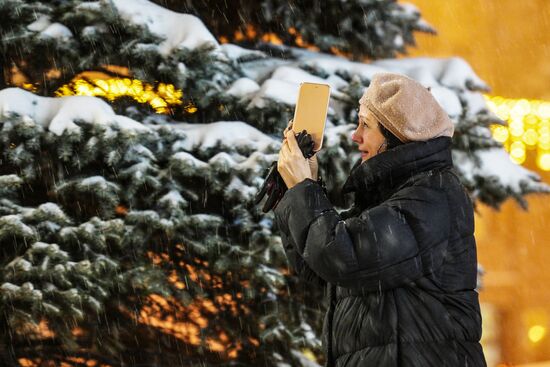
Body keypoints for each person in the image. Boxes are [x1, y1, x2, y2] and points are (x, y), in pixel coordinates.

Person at [274, 72, 487, 367]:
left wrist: (303, 191)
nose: (355, 135)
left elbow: (341, 257)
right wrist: (299, 185)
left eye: (366, 124)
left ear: (398, 135)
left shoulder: (433, 195)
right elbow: (317, 268)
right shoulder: (387, 197)